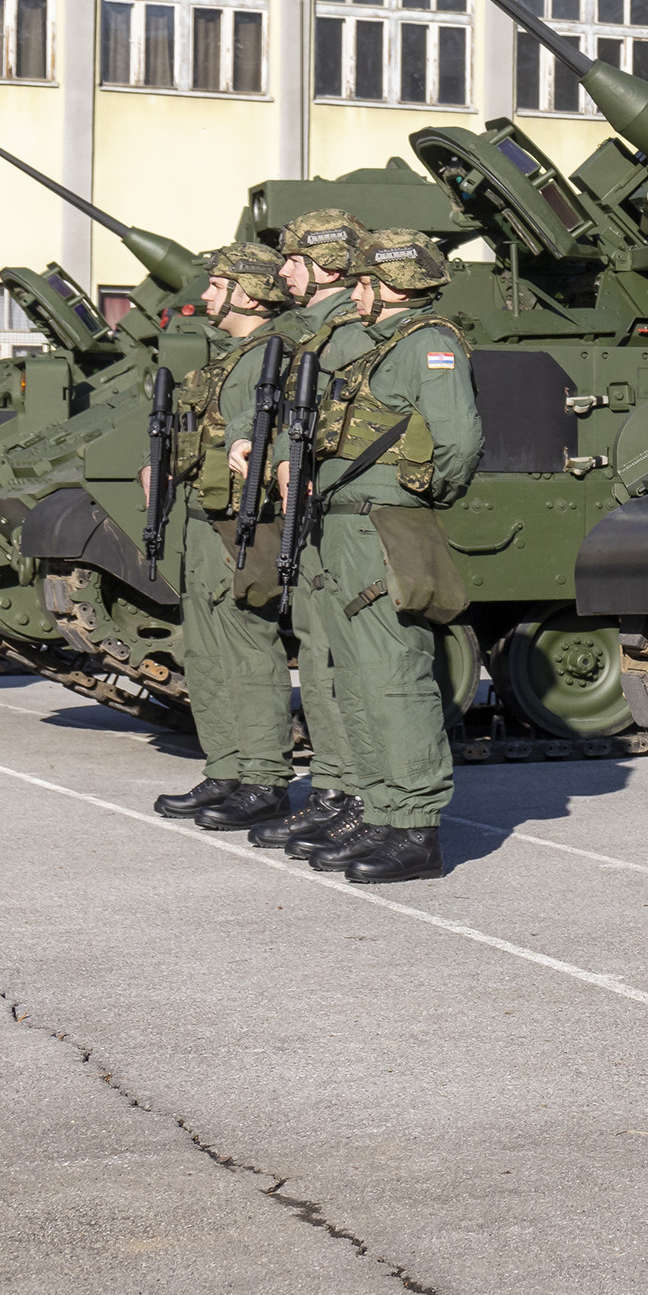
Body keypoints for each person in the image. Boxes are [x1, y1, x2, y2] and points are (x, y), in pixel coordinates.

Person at [281, 227, 480, 884]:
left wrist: (418, 498)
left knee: (394, 676)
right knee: (358, 678)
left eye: (362, 281)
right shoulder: (382, 348)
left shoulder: (429, 344)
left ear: (387, 284)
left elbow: (459, 441)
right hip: (346, 526)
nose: (354, 292)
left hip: (383, 526)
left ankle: (415, 826)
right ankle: (382, 810)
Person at [146, 244, 300, 830]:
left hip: (240, 522)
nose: (206, 295)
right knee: (207, 653)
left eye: (218, 284)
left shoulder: (272, 356)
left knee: (245, 648)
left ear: (252, 292)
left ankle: (262, 779)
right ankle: (227, 769)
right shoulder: (226, 360)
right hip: (202, 516)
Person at [243, 211, 373, 859]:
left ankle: (355, 796)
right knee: (318, 659)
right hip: (316, 518)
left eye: (293, 260)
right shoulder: (319, 333)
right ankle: (333, 791)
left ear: (326, 264)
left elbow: (355, 425)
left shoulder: (350, 335)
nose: (284, 273)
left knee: (338, 662)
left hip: (340, 514)